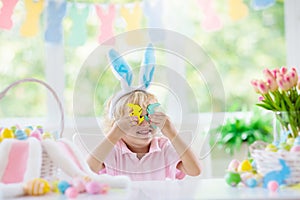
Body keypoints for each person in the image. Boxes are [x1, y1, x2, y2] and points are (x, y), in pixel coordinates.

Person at [87, 44, 201, 181]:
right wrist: (114, 135)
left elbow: (195, 170)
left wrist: (171, 132)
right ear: (117, 124)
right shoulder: (114, 150)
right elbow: (88, 170)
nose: (145, 123)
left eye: (149, 115)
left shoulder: (163, 148)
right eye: (136, 117)